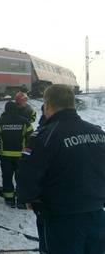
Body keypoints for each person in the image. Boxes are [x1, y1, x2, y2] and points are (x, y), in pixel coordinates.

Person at [17, 84, 105, 254]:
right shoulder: (98, 133)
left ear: (47, 105)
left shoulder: (46, 135)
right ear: (72, 103)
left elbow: (27, 172)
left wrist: (30, 199)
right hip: (96, 214)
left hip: (61, 217)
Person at [0, 101, 33, 207]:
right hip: (21, 156)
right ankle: (22, 201)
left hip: (6, 156)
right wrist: (28, 154)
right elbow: (31, 139)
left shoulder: (0, 121)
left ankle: (9, 200)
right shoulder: (25, 122)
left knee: (7, 177)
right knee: (21, 178)